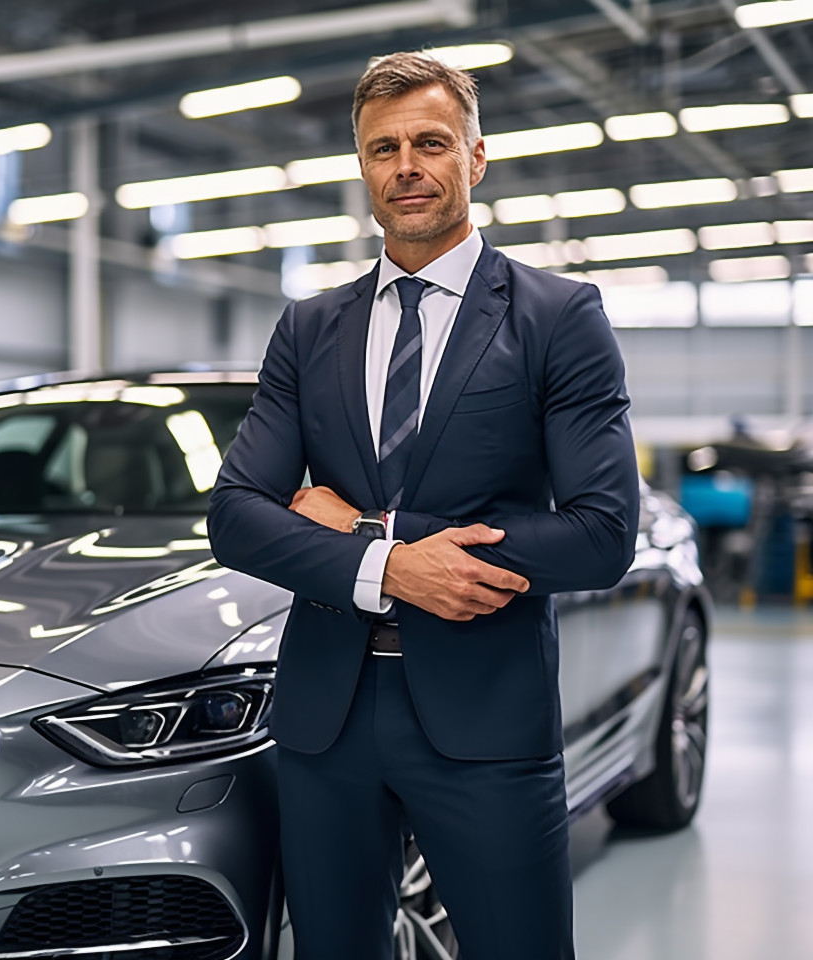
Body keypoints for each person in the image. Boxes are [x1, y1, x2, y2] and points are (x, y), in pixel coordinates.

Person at [208, 51, 639, 960]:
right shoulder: (310, 327)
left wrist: (363, 533)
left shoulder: (555, 316)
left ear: (475, 160)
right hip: (327, 721)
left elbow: (602, 536)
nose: (406, 165)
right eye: (383, 148)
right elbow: (237, 513)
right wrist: (391, 563)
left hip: (484, 719)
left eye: (430, 143)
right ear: (362, 166)